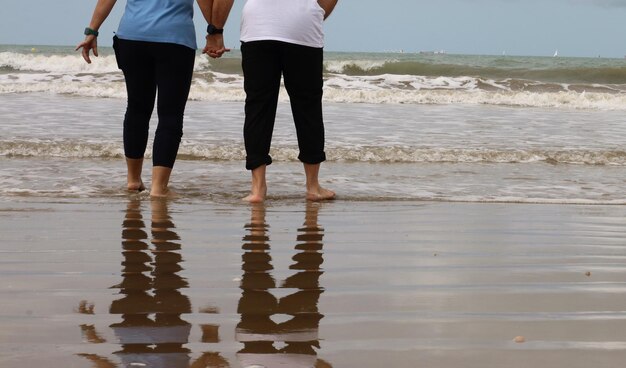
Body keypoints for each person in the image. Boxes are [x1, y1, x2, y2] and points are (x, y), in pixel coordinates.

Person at [76, 0, 232, 197]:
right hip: (175, 39)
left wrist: (92, 30)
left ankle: (133, 181)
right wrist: (215, 32)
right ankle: (158, 188)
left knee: (136, 109)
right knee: (170, 115)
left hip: (132, 37)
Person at [207, 0, 339, 202]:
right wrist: (314, 12)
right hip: (302, 26)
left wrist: (215, 31)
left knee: (257, 107)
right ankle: (313, 186)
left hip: (258, 27)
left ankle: (258, 188)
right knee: (308, 107)